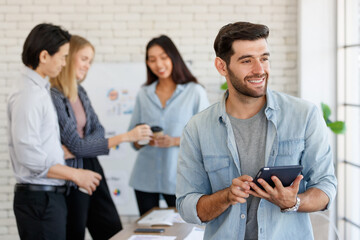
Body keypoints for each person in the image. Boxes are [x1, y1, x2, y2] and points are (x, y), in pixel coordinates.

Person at [176, 22, 337, 240]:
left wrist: (294, 201)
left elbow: (326, 187)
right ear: (222, 66)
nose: (259, 69)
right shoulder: (197, 128)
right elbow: (187, 207)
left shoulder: (305, 115)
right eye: (246, 61)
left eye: (264, 58)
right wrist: (227, 196)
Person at [50, 35, 152, 240]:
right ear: (69, 57)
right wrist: (124, 137)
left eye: (90, 61)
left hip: (92, 165)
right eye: (84, 59)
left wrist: (84, 146)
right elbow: (76, 146)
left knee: (112, 229)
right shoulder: (55, 95)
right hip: (72, 172)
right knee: (75, 231)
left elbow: (98, 130)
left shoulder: (81, 92)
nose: (88, 65)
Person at [7, 23, 102, 240]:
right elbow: (29, 157)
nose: (64, 63)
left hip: (48, 198)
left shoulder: (40, 90)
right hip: (40, 201)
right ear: (43, 56)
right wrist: (76, 174)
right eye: (63, 56)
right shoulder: (28, 95)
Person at [128, 35, 209, 216]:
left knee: (184, 230)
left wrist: (174, 141)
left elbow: (207, 137)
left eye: (163, 57)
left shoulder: (194, 91)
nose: (159, 64)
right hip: (145, 178)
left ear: (174, 57)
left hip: (180, 180)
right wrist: (142, 139)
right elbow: (132, 138)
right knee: (148, 232)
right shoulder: (144, 93)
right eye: (152, 59)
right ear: (147, 63)